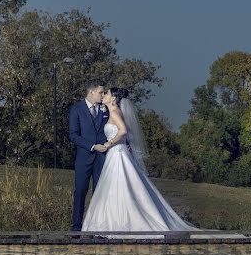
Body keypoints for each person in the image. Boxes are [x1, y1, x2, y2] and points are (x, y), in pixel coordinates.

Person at [81, 87, 199, 233]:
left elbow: (123, 130)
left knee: (118, 186)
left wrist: (109, 143)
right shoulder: (114, 111)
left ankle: (120, 222)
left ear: (114, 98)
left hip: (117, 153)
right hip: (116, 153)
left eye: (108, 94)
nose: (104, 95)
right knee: (115, 187)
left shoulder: (114, 112)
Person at [68, 81, 111, 231]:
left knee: (100, 193)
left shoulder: (106, 109)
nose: (103, 95)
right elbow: (73, 135)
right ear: (91, 92)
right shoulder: (76, 109)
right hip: (84, 158)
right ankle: (76, 228)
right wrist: (92, 146)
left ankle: (97, 227)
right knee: (80, 191)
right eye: (101, 92)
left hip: (102, 158)